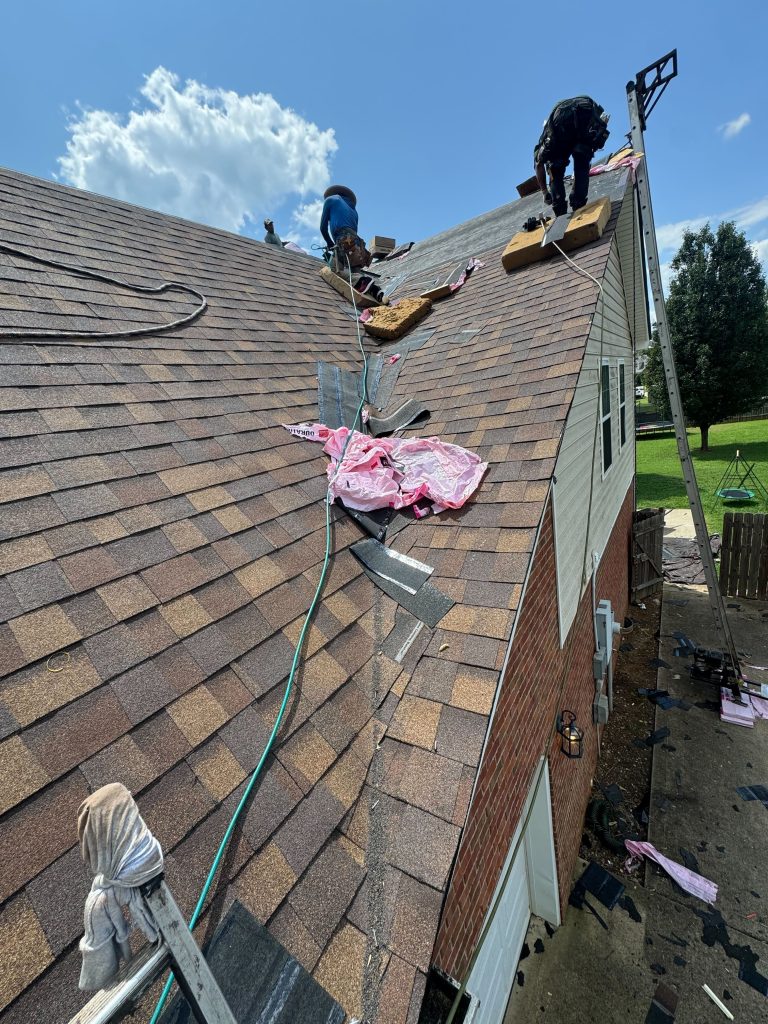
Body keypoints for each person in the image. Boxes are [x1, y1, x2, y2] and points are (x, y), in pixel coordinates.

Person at [534, 97, 610, 217]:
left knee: (554, 167)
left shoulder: (546, 137)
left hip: (564, 122)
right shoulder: (551, 133)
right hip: (586, 113)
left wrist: (545, 192)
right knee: (582, 158)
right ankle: (578, 203)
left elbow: (538, 165)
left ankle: (560, 209)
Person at [319, 186, 370, 275]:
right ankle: (366, 284)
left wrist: (329, 243)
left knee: (332, 272)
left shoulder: (330, 200)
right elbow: (354, 231)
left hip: (343, 238)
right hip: (356, 243)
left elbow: (323, 228)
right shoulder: (354, 211)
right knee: (356, 273)